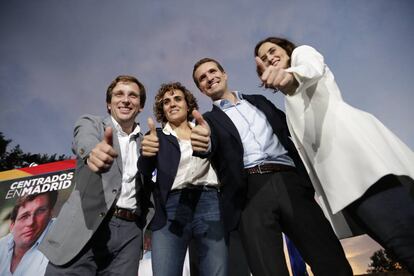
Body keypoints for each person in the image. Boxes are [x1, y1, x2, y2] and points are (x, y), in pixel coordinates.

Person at [254, 37, 414, 272]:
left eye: (272, 50)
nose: (269, 57)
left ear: (286, 50)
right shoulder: (289, 103)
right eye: (264, 58)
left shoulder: (302, 56)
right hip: (342, 187)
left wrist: (290, 77)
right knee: (398, 246)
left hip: (362, 167)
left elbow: (311, 68)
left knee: (406, 242)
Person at [191, 58, 352, 276]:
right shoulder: (208, 120)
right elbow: (208, 146)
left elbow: (292, 125)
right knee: (268, 269)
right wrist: (205, 143)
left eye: (212, 71)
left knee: (328, 257)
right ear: (201, 88)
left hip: (291, 183)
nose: (209, 78)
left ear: (224, 74)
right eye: (203, 78)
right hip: (249, 194)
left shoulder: (259, 101)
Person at [39, 75, 154, 275]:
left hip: (129, 236)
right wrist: (93, 151)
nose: (126, 100)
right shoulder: (91, 123)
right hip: (86, 226)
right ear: (109, 104)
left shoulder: (149, 143)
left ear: (141, 106)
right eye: (119, 94)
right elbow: (83, 139)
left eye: (133, 96)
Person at [138, 82, 227, 276]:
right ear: (162, 110)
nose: (172, 104)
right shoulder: (157, 136)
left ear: (188, 105)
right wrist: (146, 154)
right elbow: (144, 170)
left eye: (177, 98)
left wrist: (208, 143)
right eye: (166, 102)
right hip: (170, 208)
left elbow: (221, 158)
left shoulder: (205, 129)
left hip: (209, 202)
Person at [0, 191, 57, 276]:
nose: (31, 222)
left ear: (51, 213)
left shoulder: (58, 233)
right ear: (12, 225)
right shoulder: (2, 246)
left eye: (40, 211)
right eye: (24, 216)